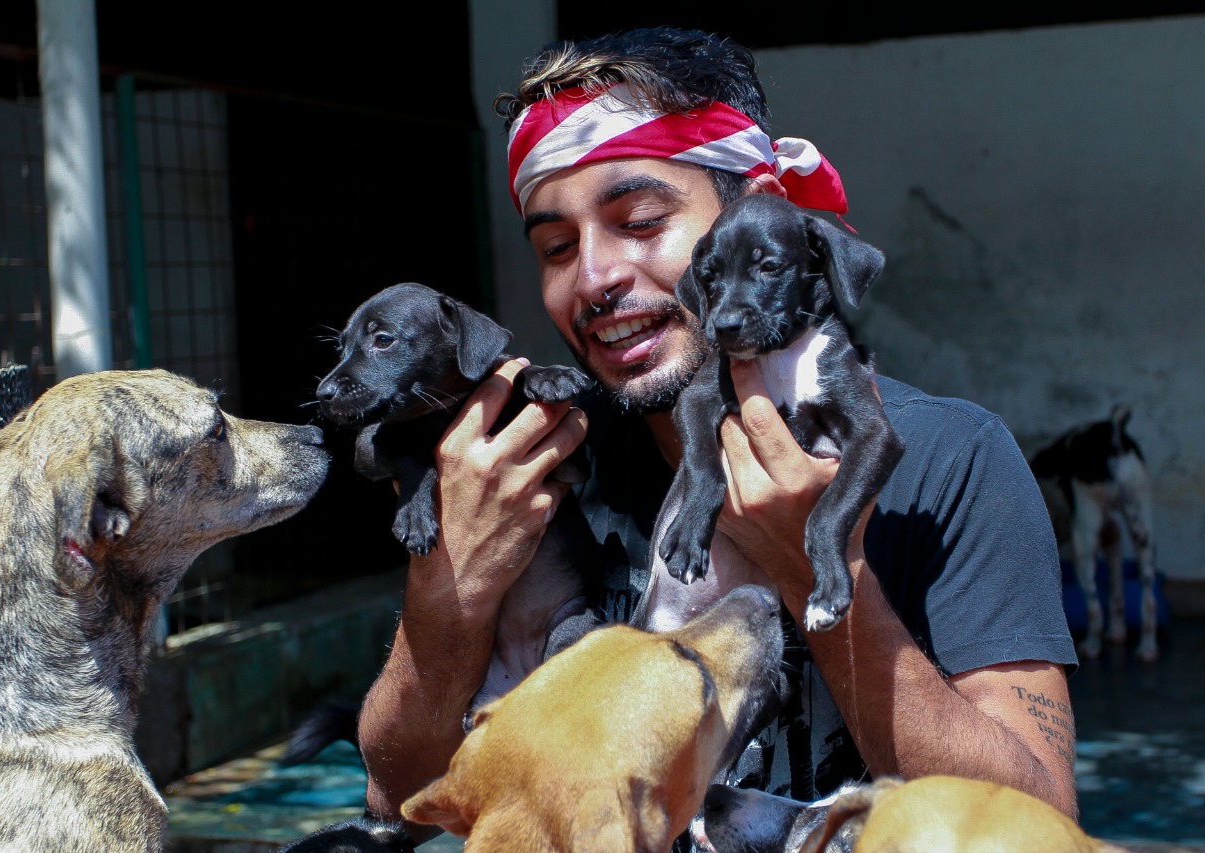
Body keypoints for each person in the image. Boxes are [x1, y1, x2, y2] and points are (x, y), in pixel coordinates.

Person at [355, 25, 1080, 845]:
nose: (594, 277)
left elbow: (1038, 830)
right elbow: (399, 796)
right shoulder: (539, 462)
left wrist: (816, 570)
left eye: (641, 221)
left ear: (755, 208)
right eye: (557, 247)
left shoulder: (950, 461)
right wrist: (449, 591)